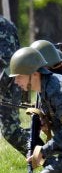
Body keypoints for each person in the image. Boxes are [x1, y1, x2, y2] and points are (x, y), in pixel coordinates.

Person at [0, 15, 28, 155]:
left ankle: (46, 157)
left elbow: (7, 62)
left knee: (11, 132)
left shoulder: (3, 26)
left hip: (8, 86)